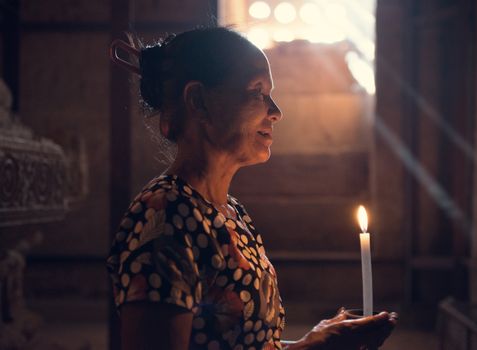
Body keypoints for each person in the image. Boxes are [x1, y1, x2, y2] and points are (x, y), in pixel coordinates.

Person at [107, 27, 397, 350]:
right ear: (199, 101)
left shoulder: (230, 213)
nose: (275, 111)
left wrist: (314, 343)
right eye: (257, 91)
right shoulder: (163, 220)